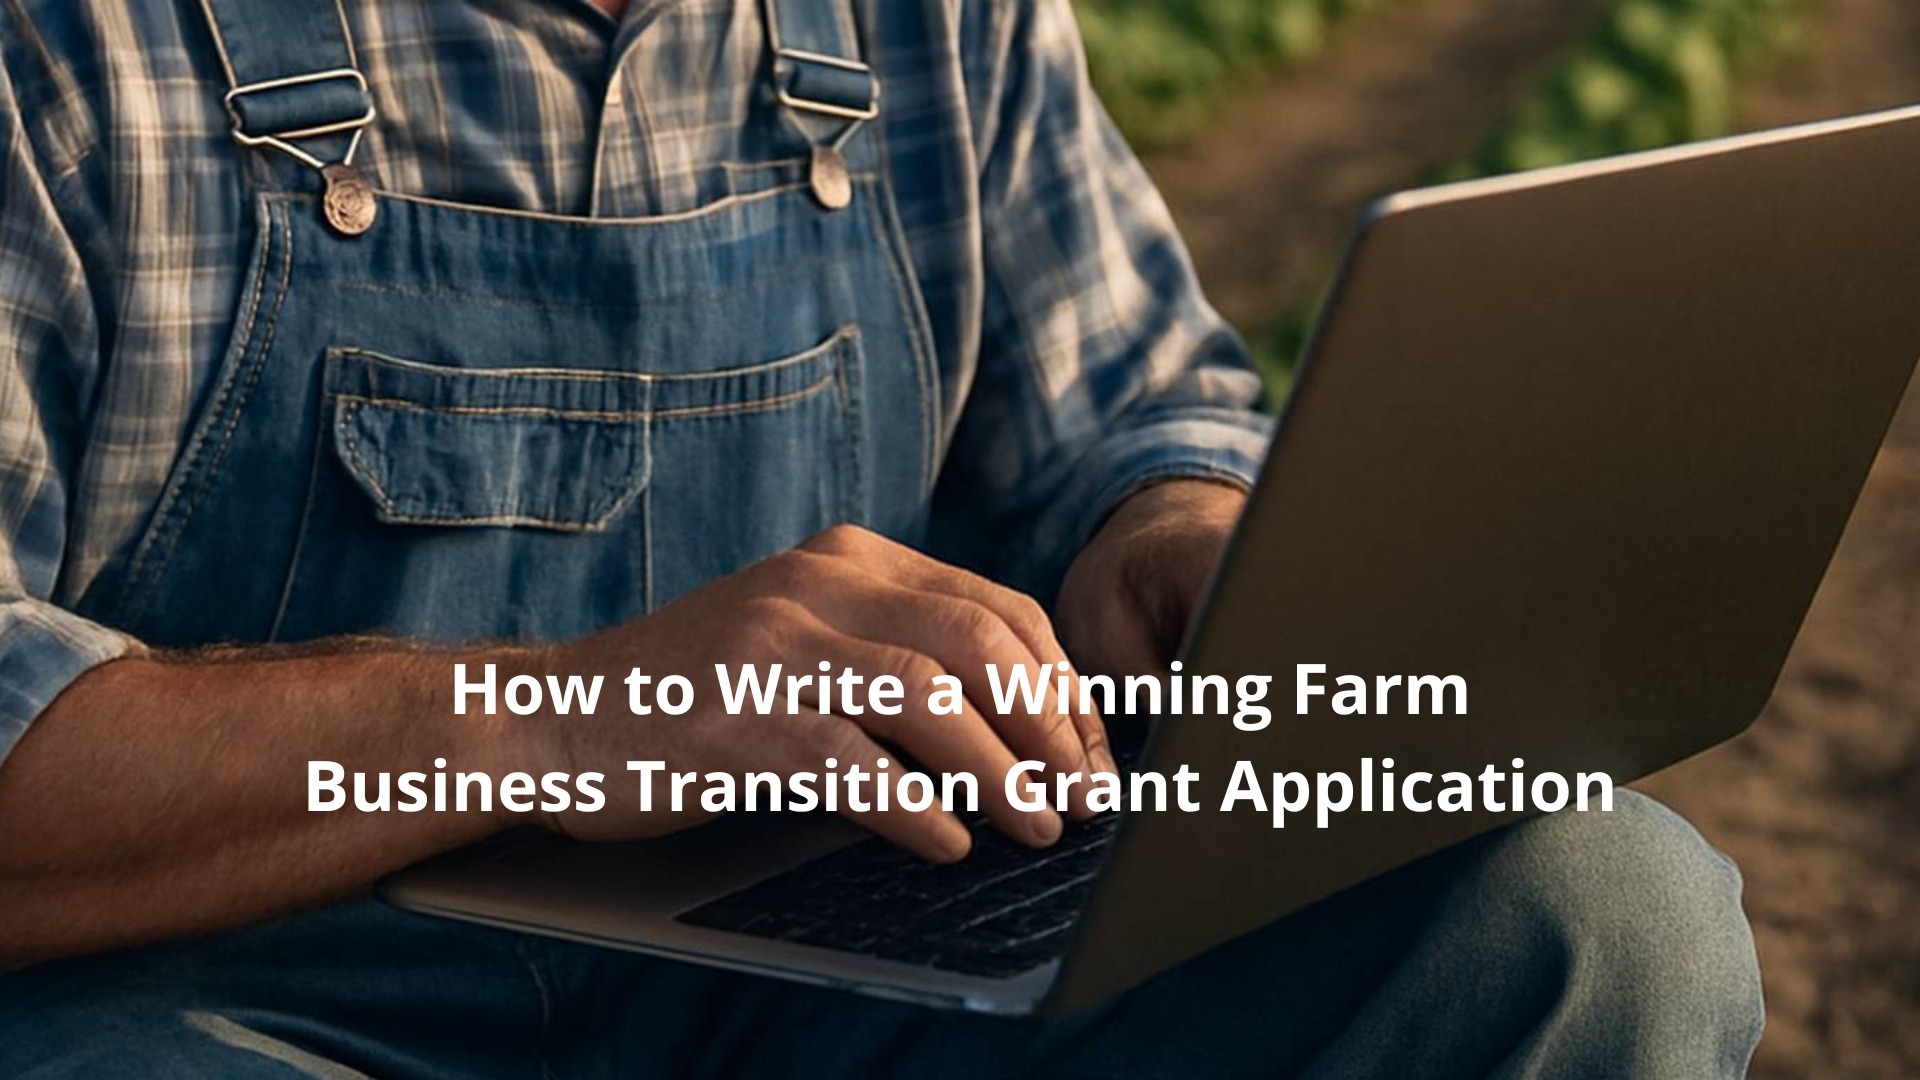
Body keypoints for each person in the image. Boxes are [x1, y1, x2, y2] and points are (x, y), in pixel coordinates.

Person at [0, 0, 1763, 1075]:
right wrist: (576, 717)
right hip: (238, 996)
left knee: (1595, 915)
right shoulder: (69, 45)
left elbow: (1131, 394)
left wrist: (1179, 524)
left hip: (836, 952)